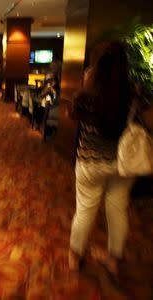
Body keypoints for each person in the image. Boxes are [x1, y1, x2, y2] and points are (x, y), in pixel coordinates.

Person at [68, 41, 140, 284]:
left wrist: (86, 83)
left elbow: (72, 117)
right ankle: (113, 259)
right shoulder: (134, 95)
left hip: (90, 163)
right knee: (118, 211)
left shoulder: (86, 95)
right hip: (121, 165)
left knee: (85, 211)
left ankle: (74, 255)